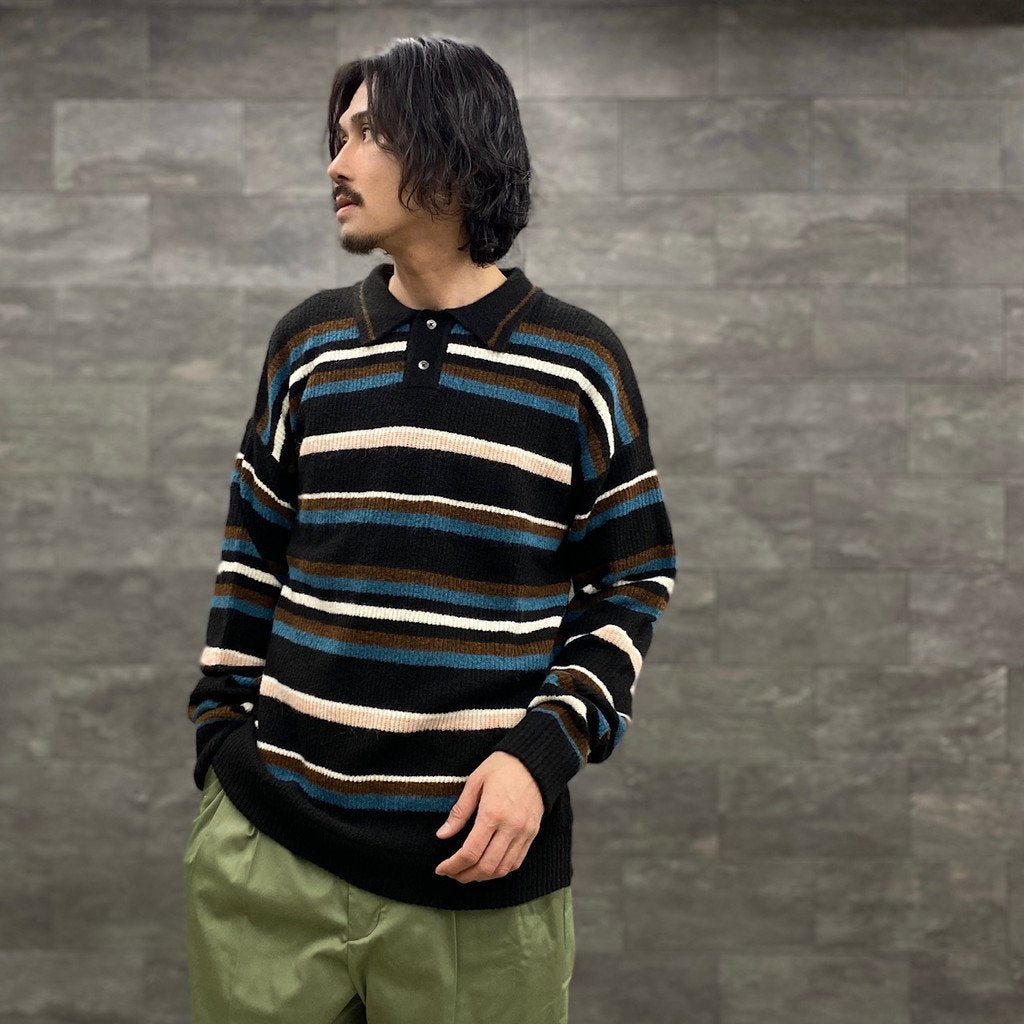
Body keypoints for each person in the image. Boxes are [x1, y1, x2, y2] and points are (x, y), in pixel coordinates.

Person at [182, 34, 676, 1024]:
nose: (336, 161)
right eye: (337, 135)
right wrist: (221, 743)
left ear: (453, 148)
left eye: (367, 133)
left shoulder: (576, 362)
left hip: (475, 879)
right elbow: (251, 559)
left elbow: (630, 582)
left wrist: (542, 754)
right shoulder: (309, 346)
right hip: (266, 855)